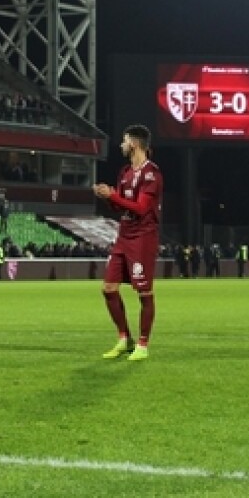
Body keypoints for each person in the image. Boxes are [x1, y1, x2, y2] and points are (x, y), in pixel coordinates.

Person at [95, 124, 163, 361]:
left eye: (124, 141)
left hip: (143, 238)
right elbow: (120, 206)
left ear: (134, 144)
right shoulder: (125, 173)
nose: (122, 145)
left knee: (144, 292)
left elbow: (142, 209)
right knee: (108, 288)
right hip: (124, 237)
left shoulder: (151, 174)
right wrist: (107, 197)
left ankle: (143, 344)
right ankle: (124, 338)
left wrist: (114, 196)